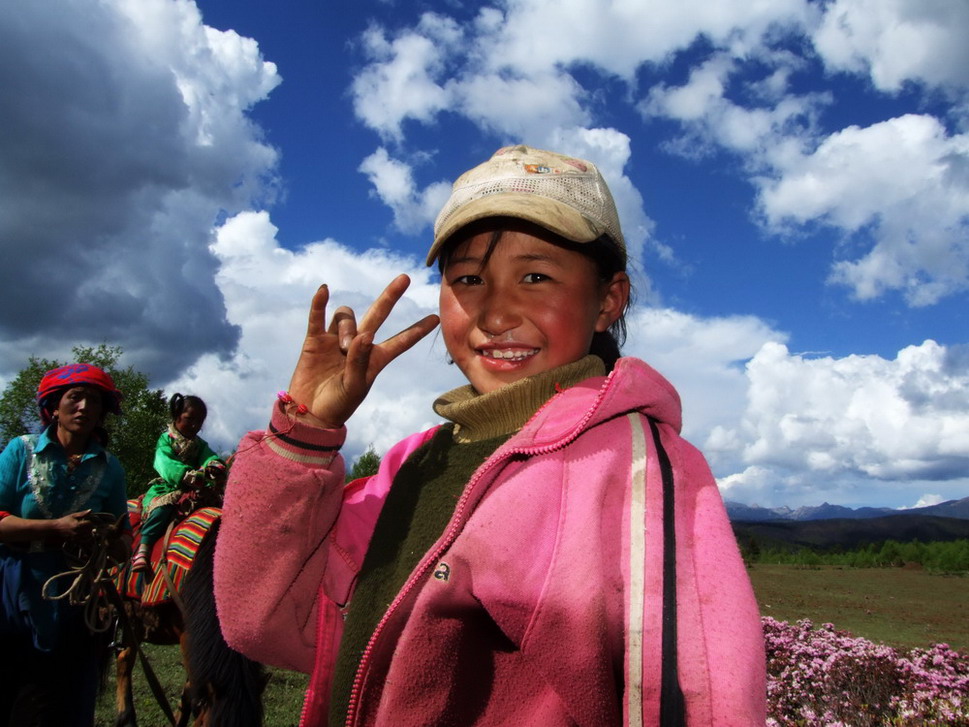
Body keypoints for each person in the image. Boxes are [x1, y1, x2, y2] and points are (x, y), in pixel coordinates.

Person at [214, 145, 767, 726]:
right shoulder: (414, 465)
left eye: (535, 276)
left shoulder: (641, 471)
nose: (496, 312)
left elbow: (704, 697)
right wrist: (307, 432)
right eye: (469, 278)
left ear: (608, 300)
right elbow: (266, 621)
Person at [0, 363, 131, 727]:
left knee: (59, 700)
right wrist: (55, 527)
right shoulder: (20, 451)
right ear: (53, 407)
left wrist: (106, 539)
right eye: (75, 398)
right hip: (13, 584)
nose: (85, 407)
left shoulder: (111, 468)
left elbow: (123, 540)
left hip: (75, 596)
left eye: (94, 401)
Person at [132, 393, 225, 572]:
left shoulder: (200, 445)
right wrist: (184, 474)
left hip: (197, 488)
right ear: (176, 416)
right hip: (168, 488)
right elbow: (163, 462)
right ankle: (144, 546)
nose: (194, 425)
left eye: (199, 421)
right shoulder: (166, 440)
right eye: (189, 419)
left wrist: (214, 466)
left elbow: (210, 457)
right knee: (162, 510)